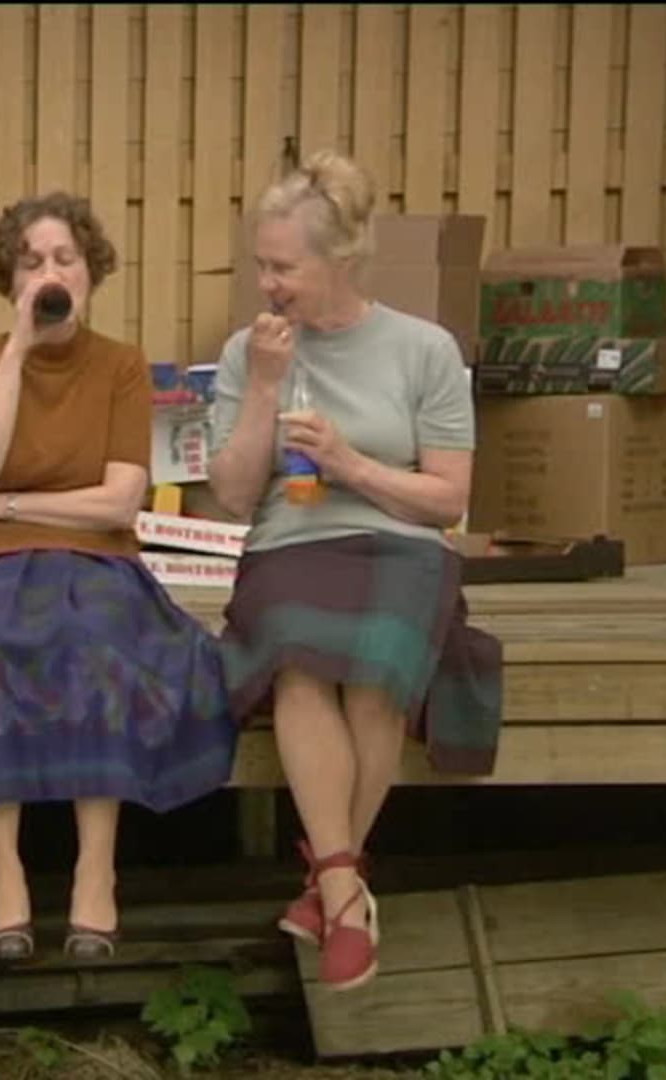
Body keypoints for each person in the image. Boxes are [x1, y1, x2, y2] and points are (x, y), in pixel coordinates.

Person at [0, 192, 236, 963]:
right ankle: (2, 869)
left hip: (99, 557)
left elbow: (119, 499)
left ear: (91, 271)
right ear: (10, 281)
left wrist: (3, 505)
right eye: (31, 263)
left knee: (100, 648)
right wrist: (19, 349)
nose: (50, 274)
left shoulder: (120, 365)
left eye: (64, 259)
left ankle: (95, 869)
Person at [208, 150, 503, 992]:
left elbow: (447, 500)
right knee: (298, 658)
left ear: (340, 260)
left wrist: (350, 464)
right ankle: (343, 890)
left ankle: (330, 888)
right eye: (261, 265)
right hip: (289, 543)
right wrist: (262, 389)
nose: (267, 284)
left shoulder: (424, 349)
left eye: (283, 268)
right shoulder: (249, 352)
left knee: (377, 672)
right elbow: (233, 496)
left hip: (402, 543)